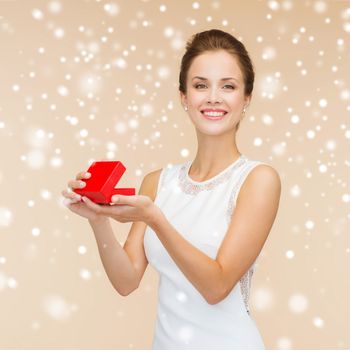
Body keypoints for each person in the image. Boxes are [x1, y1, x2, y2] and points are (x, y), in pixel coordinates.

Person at [62, 29, 281, 350]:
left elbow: (216, 286)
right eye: (200, 85)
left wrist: (156, 218)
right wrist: (98, 220)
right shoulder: (158, 182)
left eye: (228, 86)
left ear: (246, 98)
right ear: (184, 97)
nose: (213, 97)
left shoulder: (258, 179)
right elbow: (126, 281)